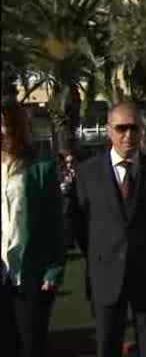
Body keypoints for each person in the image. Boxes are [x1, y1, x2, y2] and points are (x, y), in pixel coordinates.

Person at [71, 102, 146, 357]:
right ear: (108, 130)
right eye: (121, 128)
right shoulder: (86, 174)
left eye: (134, 128)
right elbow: (78, 223)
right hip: (105, 275)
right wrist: (100, 252)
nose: (128, 135)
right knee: (107, 345)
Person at [1, 100, 65, 357]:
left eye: (5, 126)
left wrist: (53, 270)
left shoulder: (40, 169)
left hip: (29, 273)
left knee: (30, 346)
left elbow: (55, 224)